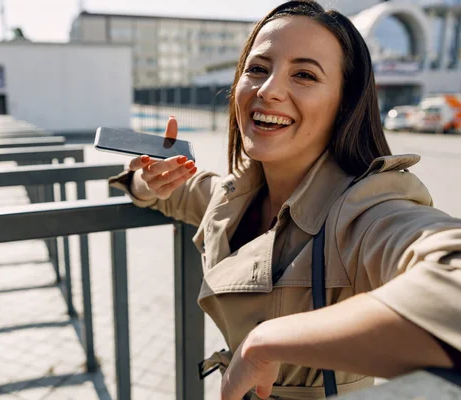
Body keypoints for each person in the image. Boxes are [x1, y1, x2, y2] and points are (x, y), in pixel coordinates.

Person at [109, 1, 461, 398]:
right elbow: (171, 194)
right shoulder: (236, 194)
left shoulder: (366, 208)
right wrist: (148, 181)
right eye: (257, 68)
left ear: (344, 104)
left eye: (305, 75)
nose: (269, 90)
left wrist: (270, 341)